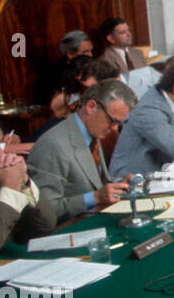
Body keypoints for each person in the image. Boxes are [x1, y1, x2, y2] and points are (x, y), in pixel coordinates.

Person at [27, 80, 137, 224]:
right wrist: (96, 197)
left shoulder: (92, 132)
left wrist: (118, 187)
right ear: (91, 106)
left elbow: (94, 184)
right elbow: (44, 211)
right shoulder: (53, 145)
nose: (115, 129)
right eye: (112, 121)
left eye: (119, 123)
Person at [0, 115, 57, 264]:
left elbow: (46, 224)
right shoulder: (4, 180)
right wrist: (10, 188)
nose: (0, 154)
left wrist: (23, 182)